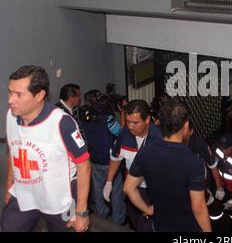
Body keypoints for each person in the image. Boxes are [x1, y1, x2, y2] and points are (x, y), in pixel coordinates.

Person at [1, 65, 91, 232]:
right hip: (24, 192)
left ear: (39, 95)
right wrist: (9, 186)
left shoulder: (62, 123)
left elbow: (84, 164)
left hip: (61, 199)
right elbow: (13, 153)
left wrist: (81, 212)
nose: (10, 100)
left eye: (18, 94)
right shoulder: (11, 116)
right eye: (10, 92)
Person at [124, 98, 211, 232]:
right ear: (186, 125)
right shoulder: (194, 162)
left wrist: (147, 209)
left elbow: (128, 188)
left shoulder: (145, 152)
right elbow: (198, 207)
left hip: (159, 225)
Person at [105, 99, 163, 231]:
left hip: (154, 191)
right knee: (137, 222)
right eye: (128, 121)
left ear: (147, 119)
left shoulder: (160, 139)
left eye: (135, 123)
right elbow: (115, 157)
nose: (130, 126)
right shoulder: (124, 135)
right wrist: (109, 181)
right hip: (133, 190)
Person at [79, 90, 126, 225]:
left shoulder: (84, 119)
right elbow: (120, 134)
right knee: (116, 190)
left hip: (94, 160)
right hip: (111, 161)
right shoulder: (108, 119)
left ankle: (102, 215)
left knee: (98, 189)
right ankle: (119, 219)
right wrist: (122, 113)